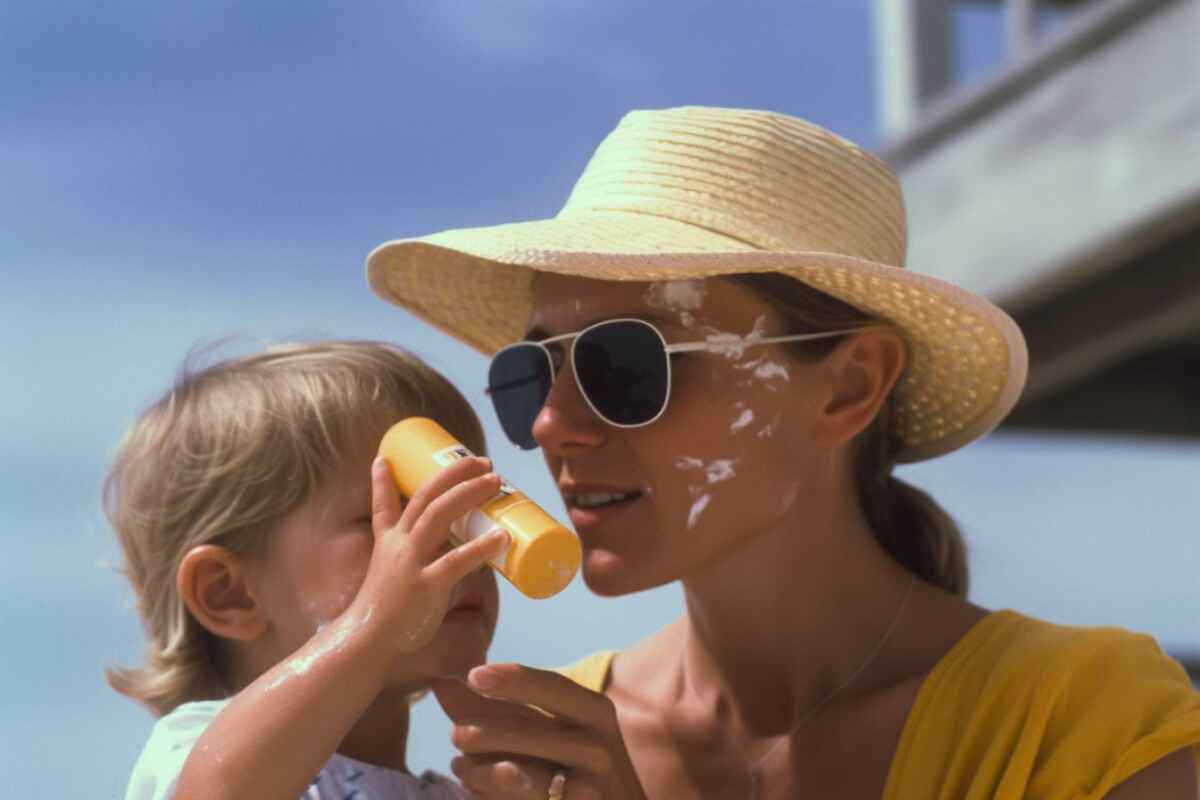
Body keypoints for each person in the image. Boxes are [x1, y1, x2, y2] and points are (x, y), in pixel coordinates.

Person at [366, 106, 1200, 799]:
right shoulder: (544, 742)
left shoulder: (1085, 723)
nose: (551, 423)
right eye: (530, 372)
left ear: (848, 387)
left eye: (624, 365)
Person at [105, 340, 512, 799]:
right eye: (398, 516)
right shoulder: (195, 750)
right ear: (228, 593)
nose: (462, 546)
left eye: (469, 516)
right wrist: (375, 626)